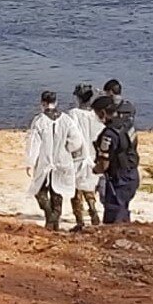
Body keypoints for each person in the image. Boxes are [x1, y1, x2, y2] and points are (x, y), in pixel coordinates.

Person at [25, 91, 85, 232]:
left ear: (43, 104)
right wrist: (67, 149)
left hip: (45, 162)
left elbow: (34, 143)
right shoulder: (66, 120)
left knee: (40, 191)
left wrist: (30, 161)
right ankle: (54, 223)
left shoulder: (39, 121)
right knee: (57, 193)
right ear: (56, 102)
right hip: (62, 161)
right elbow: (77, 140)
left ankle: (49, 216)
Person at [92, 95, 140, 224]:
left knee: (114, 215)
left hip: (119, 178)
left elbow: (103, 164)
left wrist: (95, 170)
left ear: (102, 112)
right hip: (133, 174)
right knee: (123, 209)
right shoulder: (128, 124)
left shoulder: (108, 135)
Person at [65, 83, 106, 230]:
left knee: (75, 189)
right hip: (93, 154)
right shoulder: (96, 115)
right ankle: (93, 210)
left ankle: (80, 220)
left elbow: (70, 134)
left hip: (77, 154)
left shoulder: (73, 114)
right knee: (89, 184)